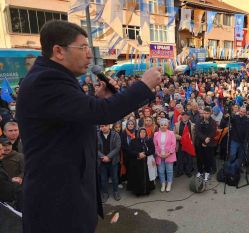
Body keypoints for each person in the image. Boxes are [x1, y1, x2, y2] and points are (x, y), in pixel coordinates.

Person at [16, 21, 161, 233]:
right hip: (57, 203)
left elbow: (72, 117)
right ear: (58, 51)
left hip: (67, 195)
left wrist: (94, 99)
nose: (89, 55)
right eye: (82, 48)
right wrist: (143, 85)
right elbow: (103, 113)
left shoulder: (55, 77)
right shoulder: (46, 81)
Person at [125, 127, 155, 196]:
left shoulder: (149, 140)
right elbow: (130, 151)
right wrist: (138, 154)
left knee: (147, 176)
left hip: (147, 162)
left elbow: (152, 149)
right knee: (137, 176)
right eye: (141, 132)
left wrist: (145, 154)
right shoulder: (133, 141)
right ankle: (138, 191)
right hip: (136, 162)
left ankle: (147, 190)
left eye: (144, 132)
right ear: (138, 133)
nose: (143, 134)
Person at [97, 124, 121, 202]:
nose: (104, 128)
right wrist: (103, 157)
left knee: (114, 177)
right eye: (102, 126)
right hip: (102, 161)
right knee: (103, 178)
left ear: (109, 126)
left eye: (105, 126)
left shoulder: (115, 135)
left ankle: (116, 192)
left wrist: (109, 157)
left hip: (113, 161)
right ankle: (105, 193)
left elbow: (117, 147)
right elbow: (94, 148)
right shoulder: (97, 135)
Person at [153, 118, 176, 192]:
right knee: (161, 171)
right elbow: (155, 145)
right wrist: (158, 153)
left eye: (165, 125)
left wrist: (169, 153)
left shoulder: (171, 133)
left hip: (169, 155)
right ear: (159, 125)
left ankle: (169, 184)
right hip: (159, 155)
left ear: (168, 125)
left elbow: (173, 144)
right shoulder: (156, 134)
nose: (163, 126)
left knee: (169, 171)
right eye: (162, 125)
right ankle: (163, 184)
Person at [195, 106, 217, 182]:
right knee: (199, 158)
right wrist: (204, 139)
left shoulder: (213, 122)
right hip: (200, 142)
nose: (206, 115)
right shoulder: (198, 121)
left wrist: (206, 140)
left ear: (210, 114)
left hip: (209, 143)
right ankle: (200, 171)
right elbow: (197, 132)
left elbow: (213, 132)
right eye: (204, 113)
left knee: (208, 158)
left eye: (207, 113)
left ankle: (207, 172)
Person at [174, 111, 196, 178]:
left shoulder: (193, 125)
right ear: (181, 116)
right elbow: (173, 134)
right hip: (180, 144)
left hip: (189, 145)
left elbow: (195, 135)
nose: (185, 116)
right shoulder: (176, 124)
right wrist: (179, 137)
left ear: (189, 117)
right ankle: (179, 172)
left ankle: (188, 171)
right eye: (183, 115)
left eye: (186, 115)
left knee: (189, 159)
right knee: (180, 158)